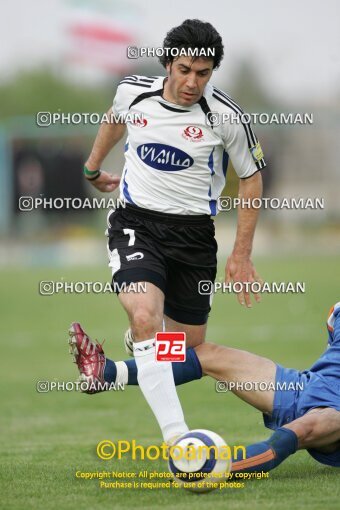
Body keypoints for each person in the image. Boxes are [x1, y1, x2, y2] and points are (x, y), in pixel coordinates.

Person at [75, 18, 265, 444]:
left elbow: (251, 177)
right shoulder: (133, 93)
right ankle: (179, 441)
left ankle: (113, 368)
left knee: (189, 349)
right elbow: (114, 119)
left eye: (203, 73)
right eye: (184, 70)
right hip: (136, 223)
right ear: (167, 64)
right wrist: (92, 167)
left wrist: (241, 253)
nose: (192, 82)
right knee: (146, 315)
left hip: (195, 238)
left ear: (213, 71)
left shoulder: (226, 116)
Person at [69, 303, 340, 472]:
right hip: (305, 385)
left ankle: (218, 465)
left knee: (303, 430)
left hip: (334, 408)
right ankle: (108, 373)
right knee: (204, 352)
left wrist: (216, 466)